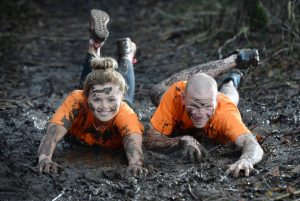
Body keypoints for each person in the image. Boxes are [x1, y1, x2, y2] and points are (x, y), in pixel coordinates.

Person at [37, 9, 148, 177]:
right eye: (96, 99)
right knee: (91, 82)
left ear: (120, 100)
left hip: (120, 105)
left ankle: (124, 52)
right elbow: (52, 132)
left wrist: (135, 164)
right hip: (79, 133)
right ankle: (99, 47)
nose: (104, 107)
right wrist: (45, 159)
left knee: (126, 98)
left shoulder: (125, 113)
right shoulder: (77, 99)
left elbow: (134, 145)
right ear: (86, 97)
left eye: (111, 99)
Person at [145, 50, 264, 178]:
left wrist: (247, 160)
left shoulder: (224, 112)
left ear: (216, 101)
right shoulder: (176, 95)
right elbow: (150, 141)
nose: (200, 114)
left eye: (207, 106)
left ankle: (231, 80)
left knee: (230, 100)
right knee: (157, 90)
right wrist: (182, 140)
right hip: (193, 93)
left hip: (222, 104)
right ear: (184, 98)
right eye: (195, 106)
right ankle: (231, 62)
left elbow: (251, 143)